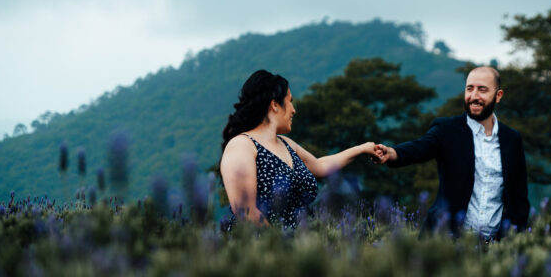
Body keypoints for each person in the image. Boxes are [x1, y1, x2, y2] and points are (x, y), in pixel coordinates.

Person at [374, 66, 530, 238]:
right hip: (446, 243)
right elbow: (419, 147)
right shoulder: (447, 129)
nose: (474, 96)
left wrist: (510, 238)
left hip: (494, 249)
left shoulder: (512, 139)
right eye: (469, 89)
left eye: (482, 90)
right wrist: (391, 153)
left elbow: (519, 198)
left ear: (498, 95)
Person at [220, 70, 378, 228]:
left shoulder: (287, 144)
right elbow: (246, 212)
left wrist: (362, 149)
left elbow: (321, 166)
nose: (293, 110)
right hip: (262, 248)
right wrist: (280, 246)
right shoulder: (241, 145)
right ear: (275, 104)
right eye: (290, 101)